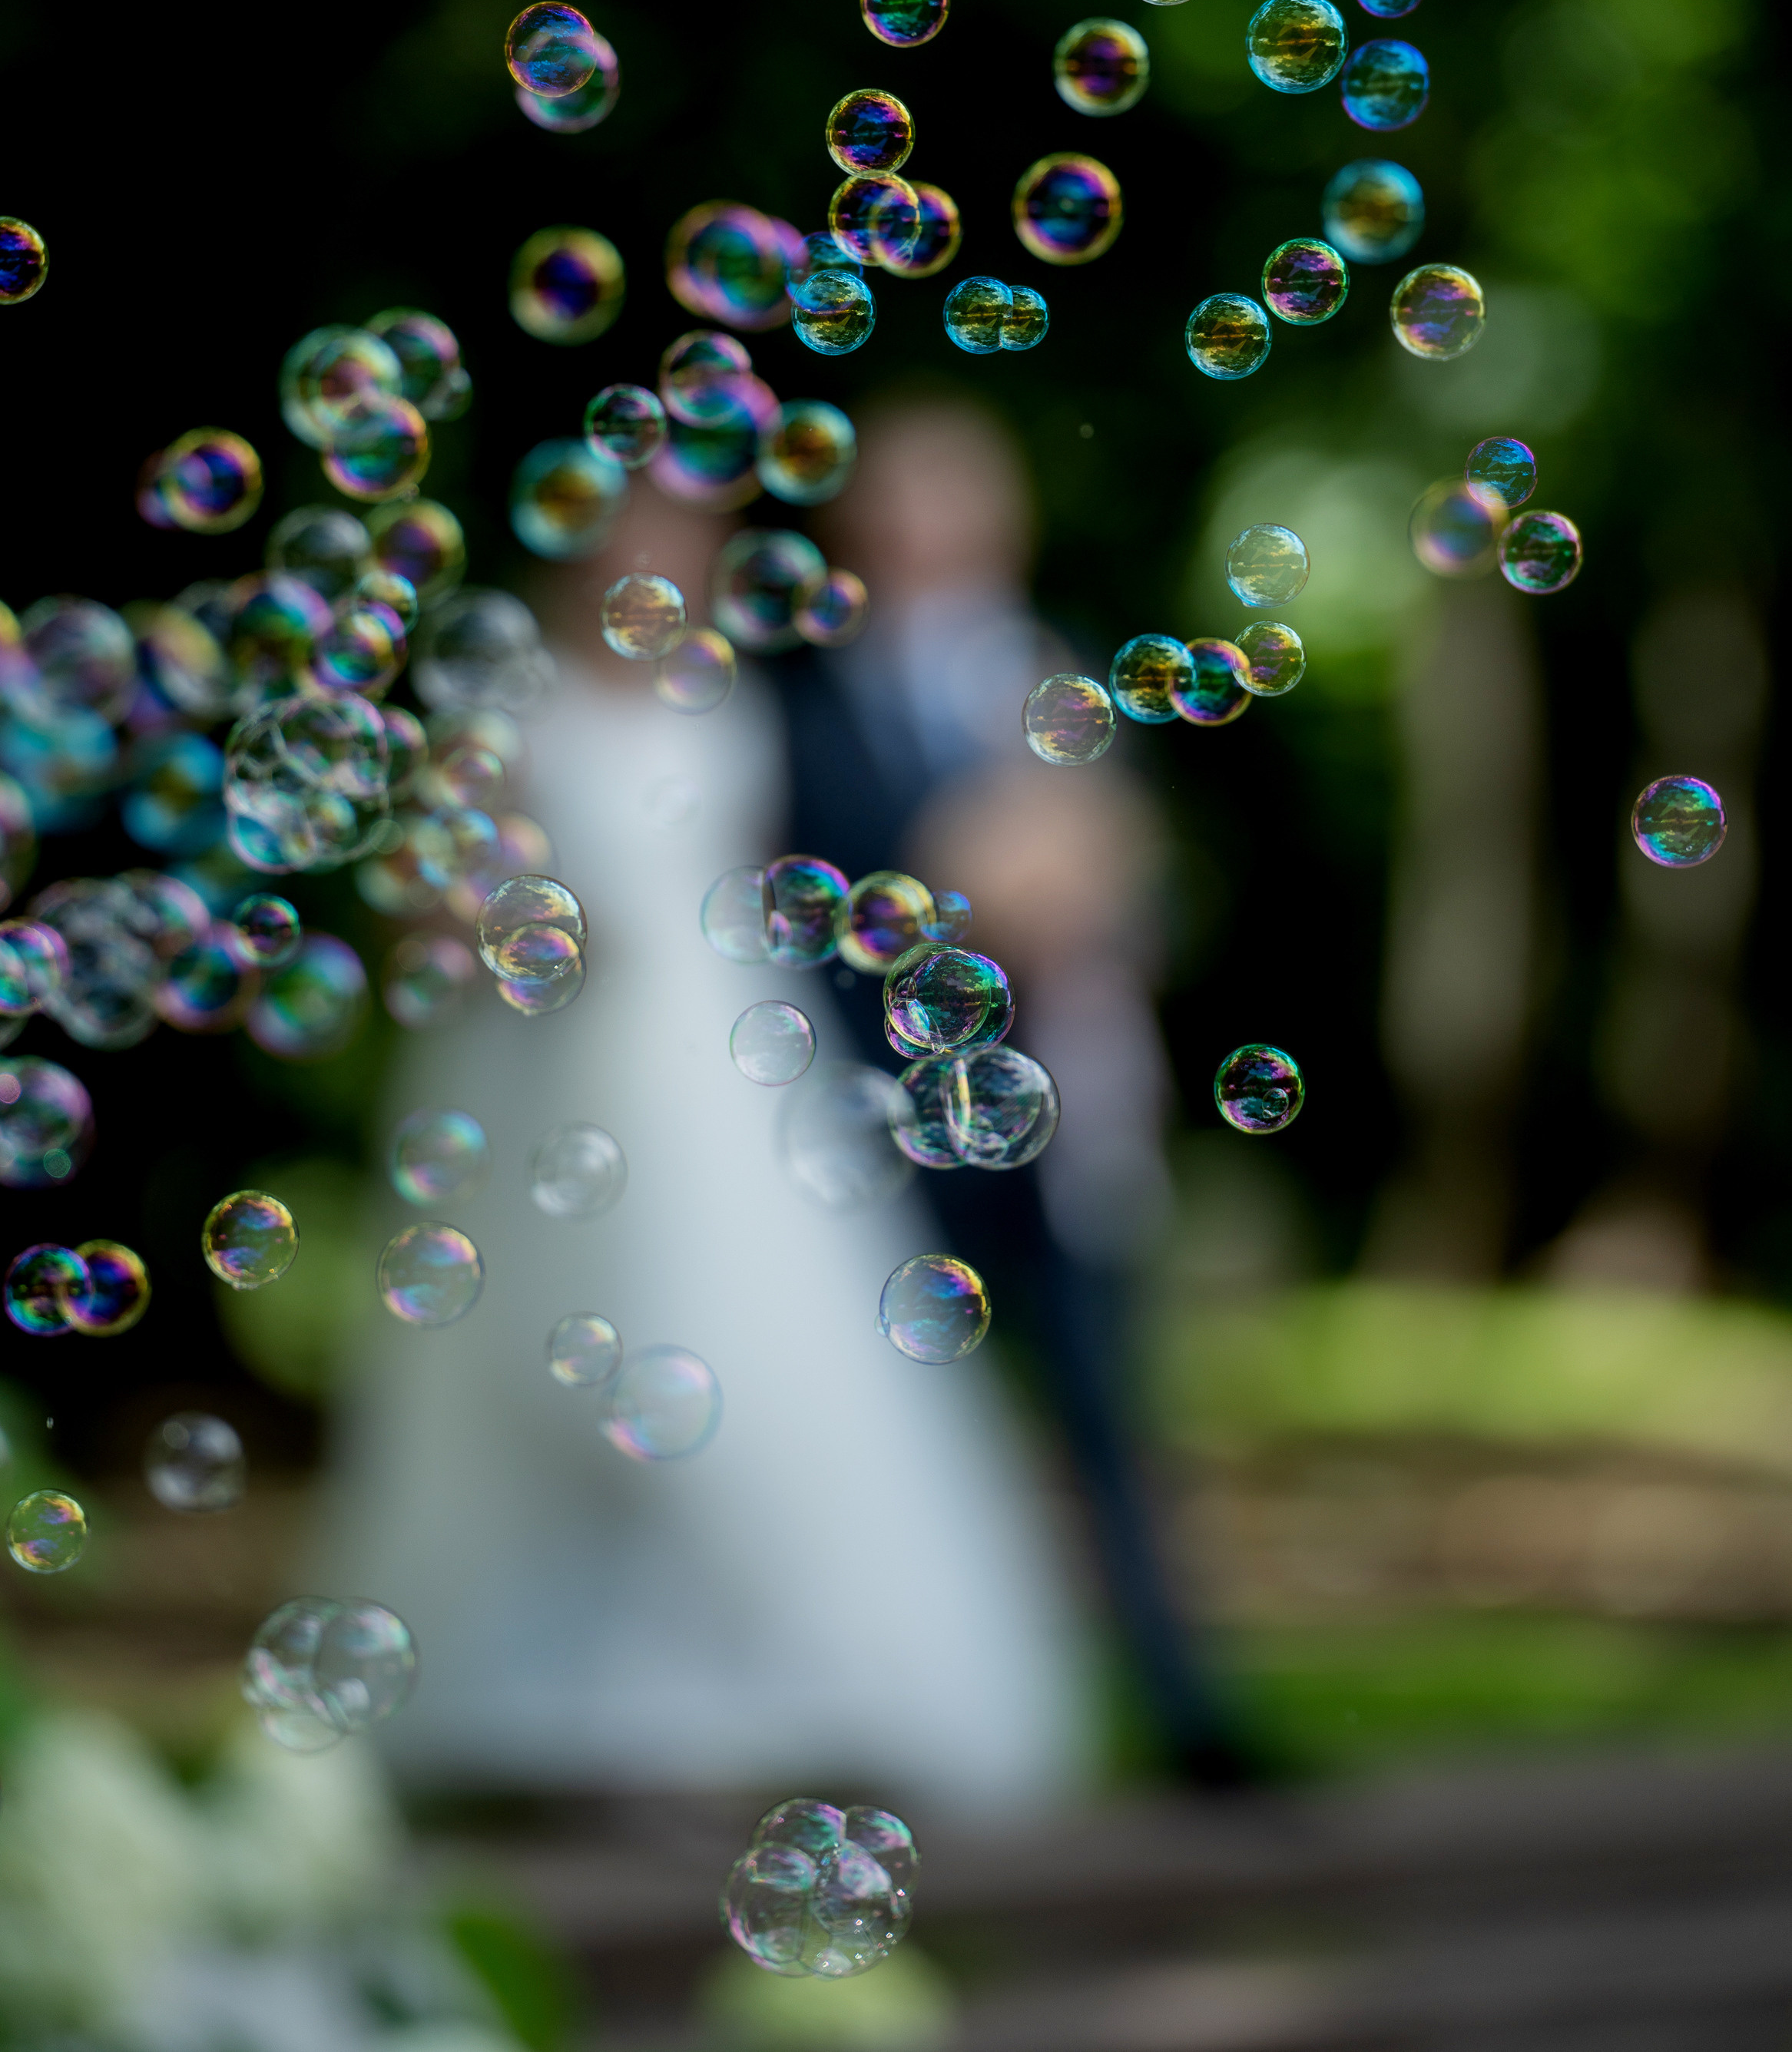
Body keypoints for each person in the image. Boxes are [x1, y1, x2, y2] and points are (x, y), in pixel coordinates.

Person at [313, 492, 1095, 1811]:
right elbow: (436, 913)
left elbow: (768, 890)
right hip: (555, 1083)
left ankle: (769, 1698)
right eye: (629, 535)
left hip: (722, 1069)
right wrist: (527, 929)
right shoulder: (512, 709)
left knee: (741, 1370)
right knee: (555, 1380)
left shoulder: (729, 701)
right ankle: (551, 1711)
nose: (652, 562)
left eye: (678, 539)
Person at [776, 396, 1244, 1779]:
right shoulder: (798, 702)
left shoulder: (1063, 676)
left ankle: (1185, 1714)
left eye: (956, 493)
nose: (929, 525)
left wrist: (1095, 892)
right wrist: (970, 888)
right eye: (902, 496)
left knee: (1109, 1416)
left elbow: (1151, 897)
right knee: (914, 1435)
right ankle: (918, 1720)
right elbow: (811, 910)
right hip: (883, 1129)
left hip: (1061, 1116)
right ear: (854, 520)